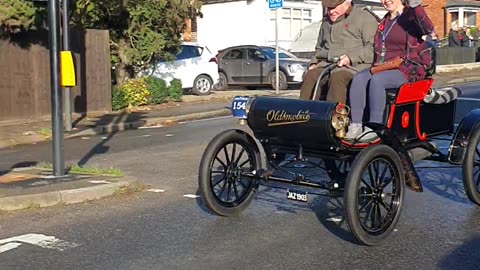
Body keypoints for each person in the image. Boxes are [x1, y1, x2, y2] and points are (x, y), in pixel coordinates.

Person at [345, 0, 434, 141]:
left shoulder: (410, 16)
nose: (386, 1)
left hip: (407, 67)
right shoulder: (384, 21)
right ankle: (356, 124)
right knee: (359, 78)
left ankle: (375, 127)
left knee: (378, 81)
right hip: (384, 66)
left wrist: (416, 6)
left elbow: (428, 28)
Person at [298, 0, 378, 104]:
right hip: (327, 64)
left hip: (355, 66)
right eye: (328, 8)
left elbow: (371, 49)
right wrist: (313, 63)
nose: (331, 11)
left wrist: (350, 58)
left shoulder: (364, 18)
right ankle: (304, 114)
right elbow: (319, 48)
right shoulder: (326, 23)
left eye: (334, 7)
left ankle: (335, 116)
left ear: (346, 3)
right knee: (310, 75)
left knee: (338, 77)